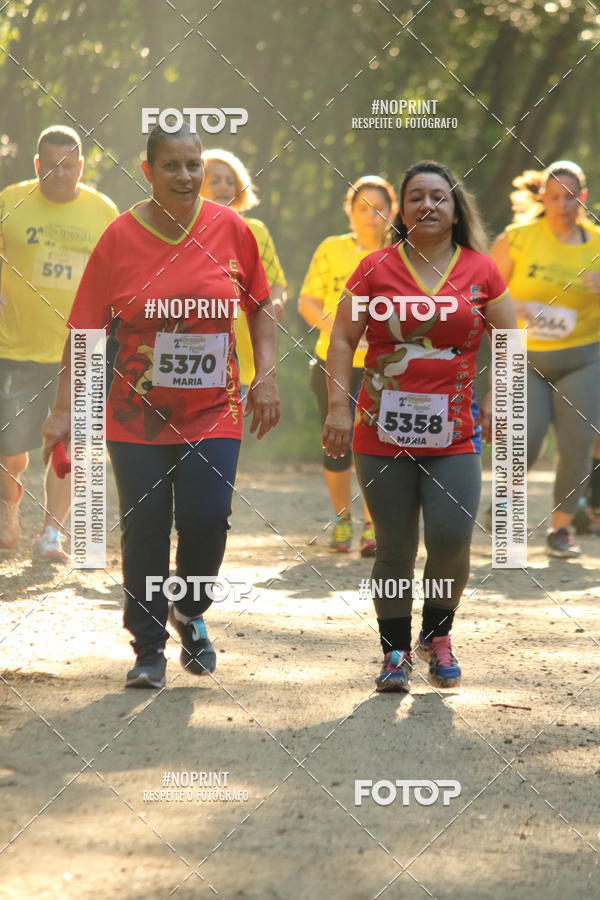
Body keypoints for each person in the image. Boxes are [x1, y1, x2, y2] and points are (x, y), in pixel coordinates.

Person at [42, 124, 280, 689]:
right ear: (147, 171)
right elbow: (85, 331)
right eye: (171, 166)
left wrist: (264, 378)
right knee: (144, 527)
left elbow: (262, 304)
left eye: (193, 165)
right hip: (134, 415)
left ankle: (189, 608)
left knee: (207, 521)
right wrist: (61, 409)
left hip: (213, 410)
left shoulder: (231, 229)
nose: (186, 176)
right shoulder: (119, 238)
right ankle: (147, 647)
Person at [322, 160, 517, 692]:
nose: (427, 205)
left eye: (439, 197)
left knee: (452, 538)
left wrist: (501, 399)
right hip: (379, 431)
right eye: (415, 197)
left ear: (456, 212)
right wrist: (338, 407)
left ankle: (438, 637)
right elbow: (342, 339)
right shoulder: (373, 268)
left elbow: (509, 340)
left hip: (454, 432)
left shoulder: (482, 271)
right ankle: (393, 653)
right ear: (402, 210)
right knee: (394, 545)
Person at [0, 125, 118, 560]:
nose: (60, 175)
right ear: (37, 166)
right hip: (16, 347)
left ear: (81, 167)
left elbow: (118, 274)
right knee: (10, 448)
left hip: (83, 348)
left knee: (73, 445)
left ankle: (51, 533)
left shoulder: (102, 211)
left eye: (68, 166)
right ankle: (9, 504)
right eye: (51, 167)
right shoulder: (11, 201)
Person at [491, 161, 600, 558]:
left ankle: (561, 529)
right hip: (527, 359)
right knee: (526, 441)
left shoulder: (597, 244)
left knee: (577, 444)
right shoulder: (517, 239)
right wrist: (512, 304)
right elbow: (483, 290)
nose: (563, 204)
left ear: (582, 199)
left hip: (584, 358)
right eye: (555, 197)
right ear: (542, 198)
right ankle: (503, 511)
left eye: (571, 196)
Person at [298, 176, 397, 557]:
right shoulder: (331, 249)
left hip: (383, 366)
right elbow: (307, 302)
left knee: (376, 446)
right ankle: (342, 520)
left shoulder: (401, 252)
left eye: (379, 208)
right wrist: (343, 331)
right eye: (362, 208)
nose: (371, 217)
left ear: (392, 213)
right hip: (333, 362)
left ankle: (374, 524)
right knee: (337, 445)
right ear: (349, 212)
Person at [200, 148, 286, 394]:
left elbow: (277, 283)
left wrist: (277, 301)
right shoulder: (184, 229)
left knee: (236, 427)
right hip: (195, 350)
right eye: (215, 181)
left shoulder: (256, 231)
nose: (224, 187)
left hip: (244, 353)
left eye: (230, 181)